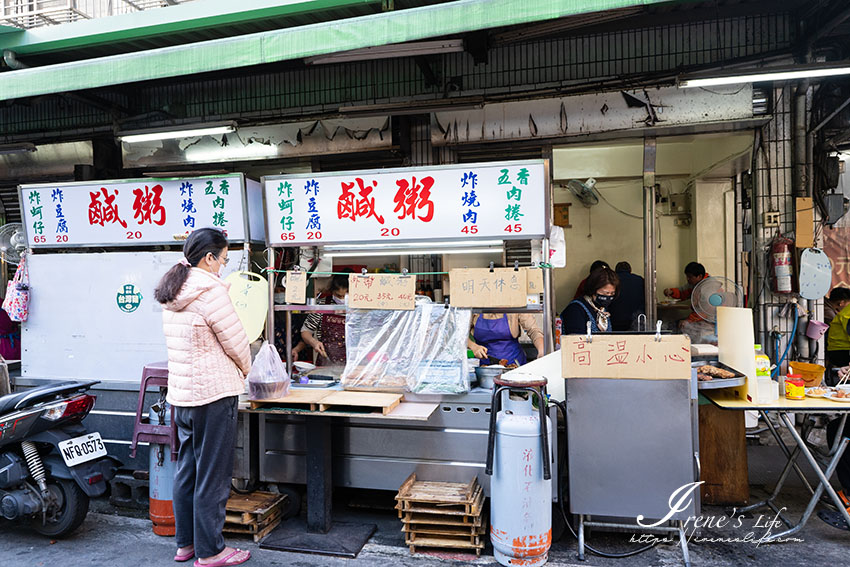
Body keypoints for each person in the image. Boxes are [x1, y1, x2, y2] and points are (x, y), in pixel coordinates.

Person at [155, 228, 252, 567]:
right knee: (213, 475)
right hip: (213, 395)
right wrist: (247, 370)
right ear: (209, 258)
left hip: (182, 397)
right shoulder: (211, 291)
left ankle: (186, 544)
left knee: (187, 471)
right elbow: (237, 343)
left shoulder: (173, 290)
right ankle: (211, 551)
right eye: (223, 260)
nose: (223, 267)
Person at [300, 273, 350, 366]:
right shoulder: (322, 305)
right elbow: (306, 331)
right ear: (332, 291)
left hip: (352, 364)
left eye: (345, 296)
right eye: (338, 295)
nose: (342, 299)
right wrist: (314, 342)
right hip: (326, 362)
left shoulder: (358, 307)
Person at [467, 313, 544, 366]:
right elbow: (459, 335)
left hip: (514, 365)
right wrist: (473, 346)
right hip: (485, 368)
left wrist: (541, 350)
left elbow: (534, 330)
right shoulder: (475, 306)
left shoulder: (514, 304)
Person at [560, 267, 620, 334]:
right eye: (605, 293)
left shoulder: (601, 310)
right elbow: (575, 340)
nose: (608, 296)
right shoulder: (576, 309)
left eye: (612, 293)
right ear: (593, 290)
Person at [608, 261, 645, 332]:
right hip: (637, 319)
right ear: (630, 270)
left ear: (615, 271)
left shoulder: (612, 281)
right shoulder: (639, 280)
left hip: (616, 319)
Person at [827, 287, 850, 368]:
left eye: (837, 308)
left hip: (841, 351)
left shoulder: (846, 314)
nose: (837, 311)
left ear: (841, 303)